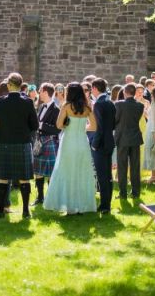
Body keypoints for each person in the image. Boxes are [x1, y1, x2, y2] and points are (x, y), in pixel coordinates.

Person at [0, 72, 39, 218]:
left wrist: (2, 129)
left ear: (9, 85)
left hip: (4, 143)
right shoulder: (28, 102)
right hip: (23, 144)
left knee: (3, 177)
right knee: (24, 178)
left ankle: (0, 211)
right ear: (20, 85)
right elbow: (35, 125)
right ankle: (25, 211)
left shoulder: (0, 102)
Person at [44, 83, 98, 214]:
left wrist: (69, 126)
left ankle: (69, 205)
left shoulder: (67, 106)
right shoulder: (87, 107)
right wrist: (82, 128)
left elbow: (58, 125)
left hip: (68, 141)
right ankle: (80, 206)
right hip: (82, 142)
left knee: (67, 171)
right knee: (81, 172)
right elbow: (94, 127)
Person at [32, 83, 61, 205]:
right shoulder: (41, 107)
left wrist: (42, 125)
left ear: (45, 91)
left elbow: (58, 129)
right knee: (38, 171)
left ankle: (51, 197)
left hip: (50, 141)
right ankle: (40, 197)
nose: (39, 94)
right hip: (39, 141)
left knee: (50, 171)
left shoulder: (56, 109)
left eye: (40, 91)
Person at [114, 83, 144, 199]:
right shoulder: (140, 106)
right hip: (135, 138)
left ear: (125, 92)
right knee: (135, 166)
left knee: (122, 166)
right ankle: (136, 192)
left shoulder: (119, 104)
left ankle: (123, 193)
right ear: (135, 93)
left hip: (122, 138)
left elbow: (115, 120)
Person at [91, 78, 116, 213]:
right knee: (108, 176)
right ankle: (107, 203)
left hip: (100, 144)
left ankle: (105, 205)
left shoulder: (99, 104)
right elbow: (113, 124)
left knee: (102, 176)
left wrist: (94, 144)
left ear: (95, 88)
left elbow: (99, 127)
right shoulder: (110, 102)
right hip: (110, 142)